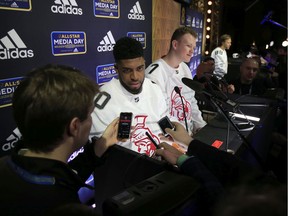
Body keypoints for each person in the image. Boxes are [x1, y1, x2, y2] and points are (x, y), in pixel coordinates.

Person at [0, 64, 119, 216]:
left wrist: (97, 149)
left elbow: (58, 175)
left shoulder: (7, 166)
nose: (91, 120)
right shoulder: (65, 206)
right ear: (75, 126)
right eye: (90, 115)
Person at [90, 37, 176, 157]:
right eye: (127, 70)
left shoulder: (154, 88)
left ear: (144, 64)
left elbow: (166, 130)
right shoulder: (102, 100)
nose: (135, 76)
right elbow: (98, 152)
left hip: (160, 163)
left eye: (139, 68)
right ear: (116, 69)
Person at [145, 26, 206, 136]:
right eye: (188, 46)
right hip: (170, 138)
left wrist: (201, 125)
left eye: (194, 47)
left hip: (189, 135)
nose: (192, 51)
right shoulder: (155, 73)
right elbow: (160, 114)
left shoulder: (185, 68)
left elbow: (191, 101)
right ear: (175, 45)